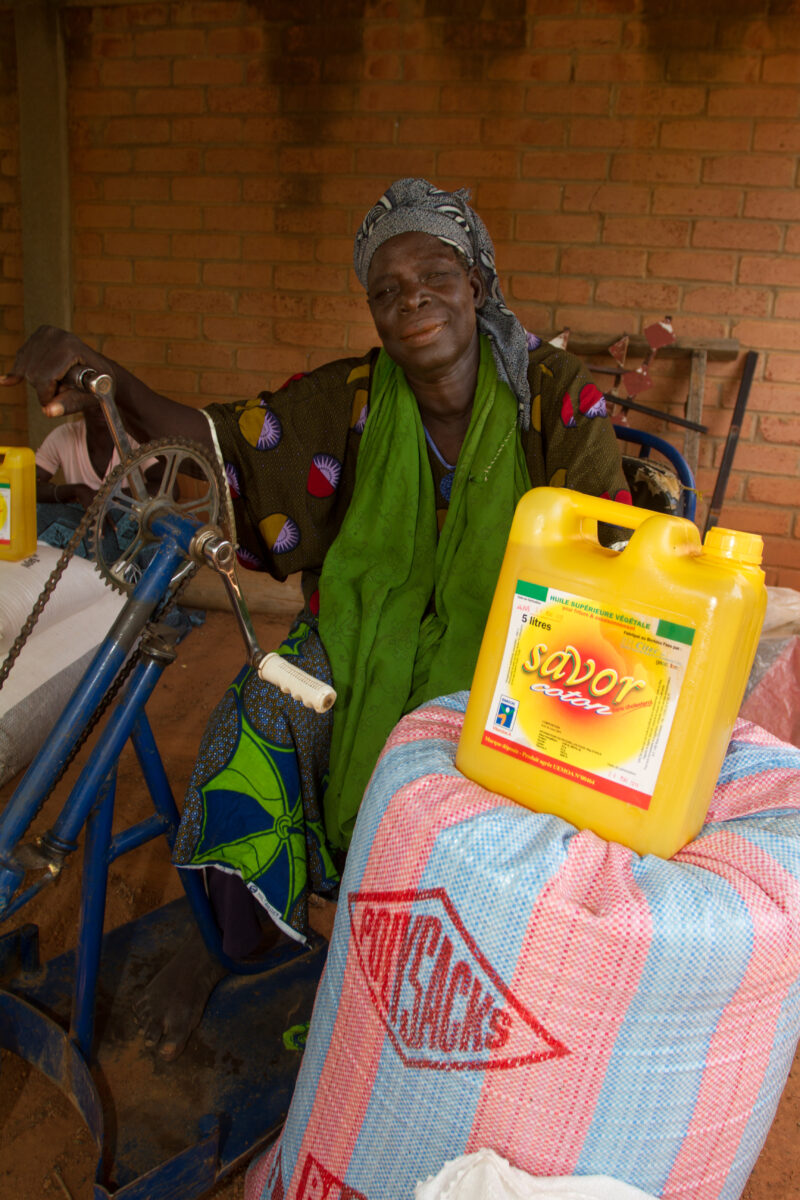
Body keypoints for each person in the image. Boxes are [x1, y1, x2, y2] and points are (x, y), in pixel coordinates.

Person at [0, 178, 632, 1060]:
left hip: (516, 657)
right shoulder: (357, 395)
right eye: (385, 289)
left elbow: (617, 554)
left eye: (434, 276)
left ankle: (416, 974)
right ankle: (237, 944)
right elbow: (222, 439)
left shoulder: (554, 398)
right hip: (359, 627)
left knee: (455, 789)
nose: (410, 299)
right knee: (249, 732)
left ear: (478, 284)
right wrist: (109, 371)